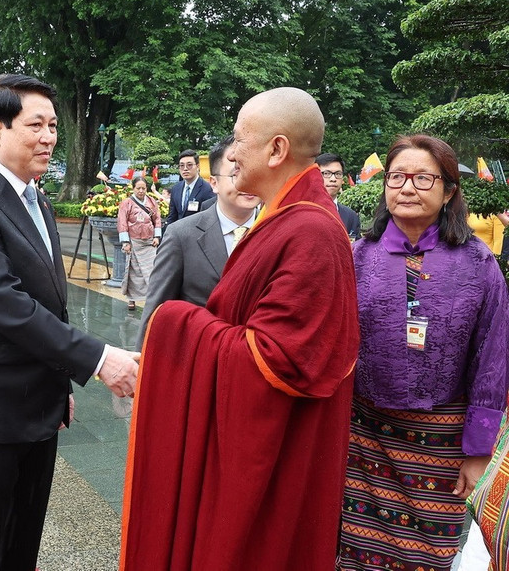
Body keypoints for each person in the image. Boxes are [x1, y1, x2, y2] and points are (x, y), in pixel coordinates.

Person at [122, 87, 359, 570]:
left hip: (274, 454)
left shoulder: (311, 231)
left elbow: (274, 359)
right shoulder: (284, 217)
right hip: (248, 438)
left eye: (239, 139)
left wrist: (177, 322)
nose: (231, 153)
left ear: (276, 149)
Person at [0, 74, 139, 571]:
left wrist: (59, 381)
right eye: (36, 125)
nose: (49, 137)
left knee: (23, 544)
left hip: (38, 403)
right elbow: (7, 305)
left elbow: (49, 303)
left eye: (53, 126)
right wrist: (98, 359)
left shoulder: (36, 198)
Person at [337, 135, 509, 571]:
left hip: (442, 440)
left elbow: (492, 357)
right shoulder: (357, 257)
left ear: (448, 191)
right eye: (397, 177)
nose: (407, 188)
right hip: (364, 436)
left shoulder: (478, 262)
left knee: (429, 556)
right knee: (358, 553)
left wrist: (478, 450)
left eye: (423, 178)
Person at [138, 135, 259, 341]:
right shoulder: (181, 235)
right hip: (198, 351)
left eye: (254, 173)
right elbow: (156, 311)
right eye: (236, 174)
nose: (247, 182)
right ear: (214, 183)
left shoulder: (279, 231)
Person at [117, 177, 161, 310]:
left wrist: (157, 236)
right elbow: (122, 222)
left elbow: (157, 219)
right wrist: (125, 242)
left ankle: (152, 298)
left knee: (152, 270)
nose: (141, 191)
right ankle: (132, 299)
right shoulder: (126, 203)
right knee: (133, 272)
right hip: (134, 242)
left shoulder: (152, 201)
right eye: (138, 188)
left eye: (143, 188)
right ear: (133, 188)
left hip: (149, 242)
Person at [316, 152, 362, 239]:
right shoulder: (302, 212)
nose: (333, 179)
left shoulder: (351, 216)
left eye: (338, 174)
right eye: (326, 173)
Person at [166, 149, 215, 226]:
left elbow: (210, 218)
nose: (185, 169)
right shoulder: (176, 188)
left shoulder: (207, 189)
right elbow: (172, 216)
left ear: (198, 167)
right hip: (178, 231)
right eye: (182, 165)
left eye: (189, 165)